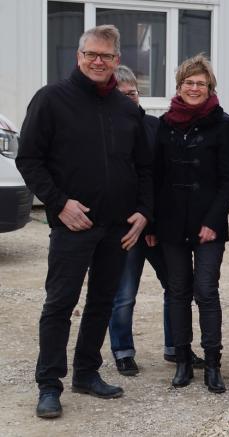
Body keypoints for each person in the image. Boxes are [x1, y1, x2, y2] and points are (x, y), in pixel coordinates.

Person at [17, 24, 153, 418]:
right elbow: (29, 159)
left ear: (117, 61)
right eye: (91, 54)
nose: (98, 61)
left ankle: (86, 372)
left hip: (117, 228)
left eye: (106, 56)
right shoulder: (51, 100)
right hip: (73, 226)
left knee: (102, 302)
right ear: (78, 57)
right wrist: (59, 204)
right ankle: (49, 384)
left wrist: (144, 211)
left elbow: (145, 167)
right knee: (60, 303)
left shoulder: (127, 110)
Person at [146, 54, 229, 393]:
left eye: (201, 83)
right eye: (189, 83)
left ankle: (213, 363)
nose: (195, 88)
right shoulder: (165, 124)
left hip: (208, 225)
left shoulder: (225, 125)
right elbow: (155, 177)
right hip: (170, 223)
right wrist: (152, 224)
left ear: (210, 86)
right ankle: (183, 361)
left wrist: (214, 220)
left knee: (206, 291)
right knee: (178, 292)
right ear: (179, 86)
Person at [107, 65, 189, 377]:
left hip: (155, 225)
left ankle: (175, 347)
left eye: (133, 93)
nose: (129, 99)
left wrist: (153, 223)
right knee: (124, 293)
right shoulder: (108, 130)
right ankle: (123, 350)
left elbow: (161, 179)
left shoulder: (155, 127)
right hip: (125, 227)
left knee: (175, 286)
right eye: (121, 94)